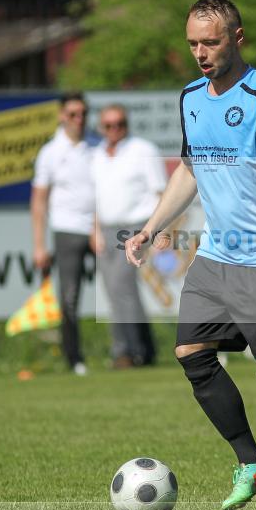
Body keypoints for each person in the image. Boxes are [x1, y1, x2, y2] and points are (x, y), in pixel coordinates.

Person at [125, 0, 256, 510]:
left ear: (237, 37)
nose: (201, 53)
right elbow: (189, 169)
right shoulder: (190, 96)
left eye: (210, 42)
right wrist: (150, 228)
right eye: (192, 43)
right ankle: (252, 463)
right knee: (192, 353)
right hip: (214, 256)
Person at [92, 104, 166, 368]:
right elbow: (97, 198)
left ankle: (128, 351)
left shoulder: (143, 150)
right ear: (102, 127)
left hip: (135, 227)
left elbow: (161, 194)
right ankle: (142, 349)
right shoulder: (97, 155)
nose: (115, 129)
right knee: (114, 291)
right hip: (107, 228)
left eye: (120, 123)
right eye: (109, 125)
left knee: (122, 287)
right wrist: (96, 231)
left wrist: (157, 232)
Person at [31, 92, 99, 376]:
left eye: (83, 113)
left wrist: (98, 225)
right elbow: (39, 201)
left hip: (100, 229)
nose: (79, 120)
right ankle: (75, 360)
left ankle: (130, 353)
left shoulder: (97, 144)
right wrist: (39, 245)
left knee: (121, 289)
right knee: (69, 297)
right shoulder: (50, 152)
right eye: (72, 114)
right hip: (67, 229)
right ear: (61, 116)